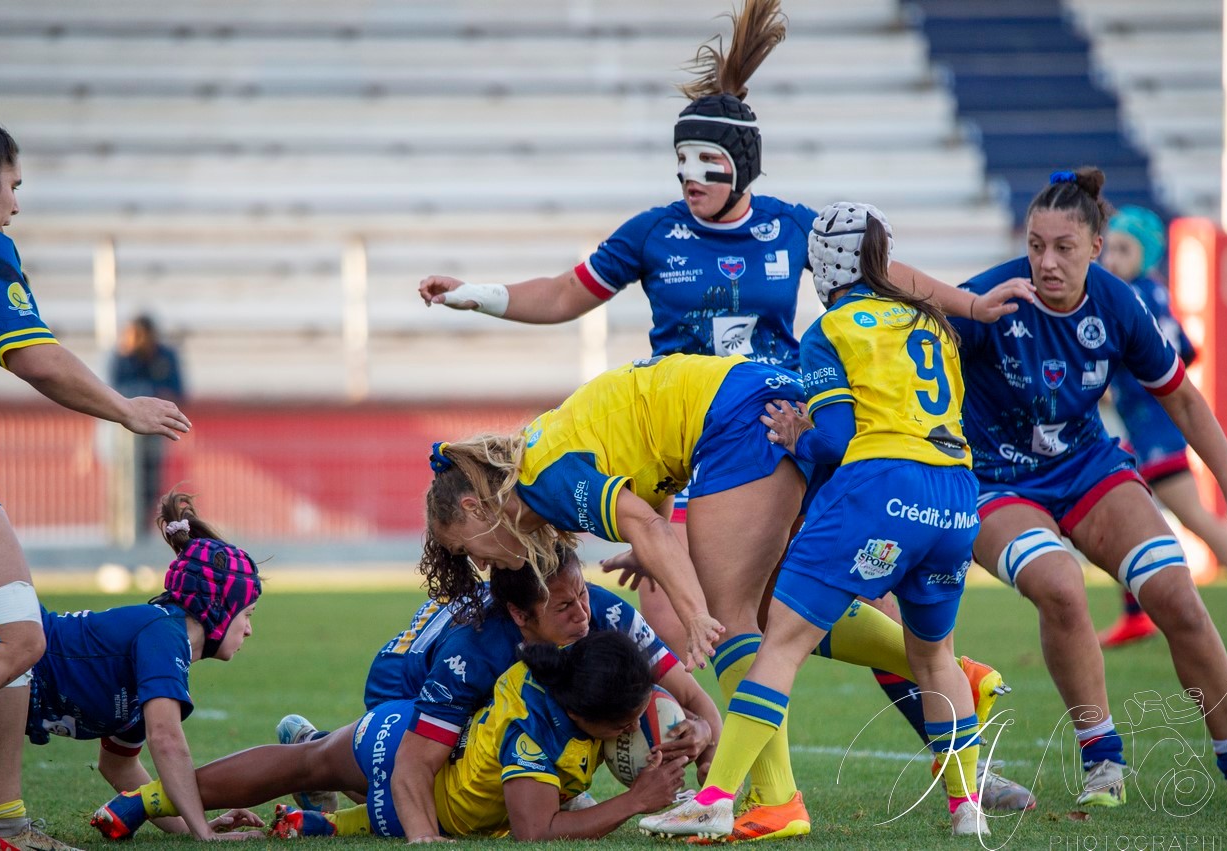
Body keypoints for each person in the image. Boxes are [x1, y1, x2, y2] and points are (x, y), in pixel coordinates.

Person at [417, 0, 1031, 808]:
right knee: (798, 604)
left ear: (741, 166)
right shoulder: (653, 233)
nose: (690, 181)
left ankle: (824, 789)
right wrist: (479, 295)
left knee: (798, 602)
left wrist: (971, 305)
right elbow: (568, 293)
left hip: (776, 427)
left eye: (706, 165)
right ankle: (941, 722)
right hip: (697, 439)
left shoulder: (792, 227)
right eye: (682, 167)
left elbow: (885, 273)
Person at [640, 202, 990, 839]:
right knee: (935, 657)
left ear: (824, 261)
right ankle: (966, 809)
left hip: (881, 488)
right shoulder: (930, 321)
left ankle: (718, 798)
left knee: (778, 643)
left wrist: (798, 436)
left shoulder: (832, 328)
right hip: (956, 497)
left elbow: (835, 439)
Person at [948, 168, 1227, 805]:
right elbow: (911, 333)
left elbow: (1184, 403)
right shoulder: (991, 297)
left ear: (1096, 247)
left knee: (1178, 596)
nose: (1045, 262)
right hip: (995, 479)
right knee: (1060, 587)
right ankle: (1103, 761)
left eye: (1063, 248)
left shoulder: (1117, 303)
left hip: (1086, 467)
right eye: (1035, 245)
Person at [0, 117, 190, 851]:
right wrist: (123, 407)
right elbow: (36, 357)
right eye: (12, 187)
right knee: (16, 634)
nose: (15, 206)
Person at [271, 545, 723, 839]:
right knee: (372, 776)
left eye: (582, 596)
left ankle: (322, 794)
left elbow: (696, 699)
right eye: (566, 605)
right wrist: (425, 837)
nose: (583, 614)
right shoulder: (482, 649)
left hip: (483, 709)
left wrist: (702, 737)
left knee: (478, 782)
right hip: (405, 687)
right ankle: (311, 748)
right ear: (522, 614)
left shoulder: (600, 613)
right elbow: (417, 763)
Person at [94, 631, 688, 841]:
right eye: (623, 724)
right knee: (300, 767)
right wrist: (636, 800)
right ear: (584, 712)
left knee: (321, 780)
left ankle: (317, 820)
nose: (629, 731)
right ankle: (140, 801)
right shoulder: (533, 734)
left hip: (435, 782)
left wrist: (688, 724)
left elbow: (635, 693)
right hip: (403, 747)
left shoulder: (577, 663)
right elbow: (534, 832)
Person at [0, 492, 263, 841]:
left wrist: (191, 826)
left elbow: (118, 765)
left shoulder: (162, 643)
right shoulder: (164, 636)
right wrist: (203, 834)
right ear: (220, 607)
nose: (249, 629)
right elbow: (166, 740)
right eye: (247, 614)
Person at [1095, 206, 1227, 647]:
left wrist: (1130, 385)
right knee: (1123, 513)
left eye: (1124, 250)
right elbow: (1188, 351)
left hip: (1154, 425)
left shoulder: (1135, 296)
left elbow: (1169, 357)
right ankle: (1135, 613)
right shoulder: (1151, 293)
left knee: (1193, 514)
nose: (1112, 260)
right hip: (1143, 424)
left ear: (1149, 254)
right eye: (1109, 249)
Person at [109, 314, 186, 540]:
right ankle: (121, 542)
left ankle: (143, 539)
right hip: (123, 436)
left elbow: (178, 390)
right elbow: (113, 393)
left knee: (150, 486)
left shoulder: (165, 356)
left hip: (153, 435)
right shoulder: (121, 357)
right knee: (123, 488)